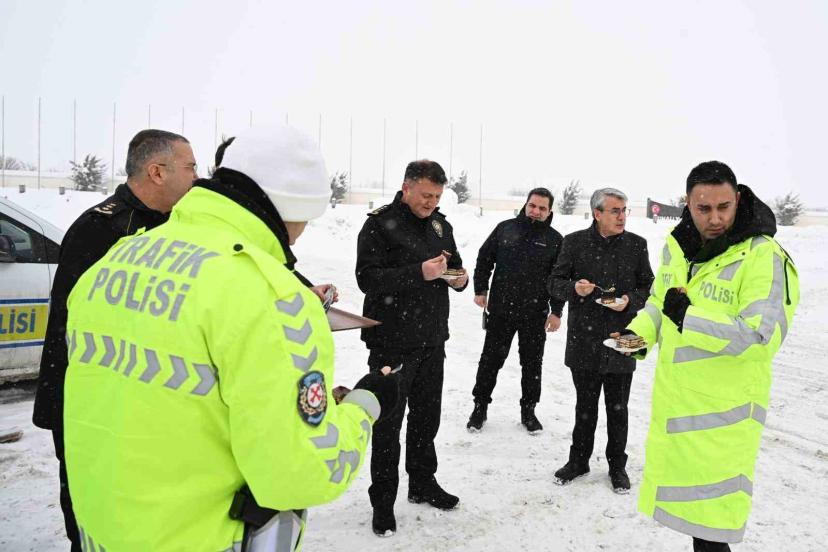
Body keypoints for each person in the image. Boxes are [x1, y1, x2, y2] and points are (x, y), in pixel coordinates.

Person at [61, 124, 397, 551]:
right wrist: (364, 407)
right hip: (199, 538)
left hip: (103, 531)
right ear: (294, 208)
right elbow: (301, 474)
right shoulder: (273, 298)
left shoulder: (119, 257)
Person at [618, 161, 799, 551]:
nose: (715, 219)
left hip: (723, 422)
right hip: (679, 410)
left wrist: (689, 317)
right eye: (704, 208)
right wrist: (635, 338)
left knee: (713, 528)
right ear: (688, 203)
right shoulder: (679, 247)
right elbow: (660, 303)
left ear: (738, 199)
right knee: (698, 530)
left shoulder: (762, 256)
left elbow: (760, 337)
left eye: (723, 207)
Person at [32, 129, 196, 551]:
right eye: (190, 167)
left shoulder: (178, 226)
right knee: (94, 519)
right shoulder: (100, 229)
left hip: (140, 402)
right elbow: (71, 328)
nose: (197, 177)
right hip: (89, 403)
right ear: (157, 172)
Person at [356, 160, 467, 537]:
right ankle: (383, 501)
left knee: (426, 419)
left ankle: (422, 483)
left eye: (437, 196)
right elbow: (367, 278)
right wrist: (418, 272)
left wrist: (458, 278)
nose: (431, 203)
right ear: (406, 188)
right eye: (425, 195)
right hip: (392, 342)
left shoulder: (440, 225)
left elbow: (454, 266)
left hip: (432, 339)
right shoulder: (380, 224)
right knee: (388, 424)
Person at [548, 187, 654, 493]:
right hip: (584, 339)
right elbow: (554, 283)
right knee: (585, 406)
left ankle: (617, 466)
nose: (622, 217)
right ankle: (578, 461)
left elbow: (648, 287)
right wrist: (574, 289)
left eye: (624, 211)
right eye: (615, 211)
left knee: (618, 409)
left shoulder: (636, 245)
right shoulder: (574, 243)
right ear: (597, 214)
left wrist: (629, 301)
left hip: (623, 338)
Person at [466, 187, 564, 434]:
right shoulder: (505, 229)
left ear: (549, 211)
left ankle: (528, 411)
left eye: (542, 208)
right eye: (533, 205)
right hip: (501, 311)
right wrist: (481, 289)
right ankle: (479, 407)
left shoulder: (554, 240)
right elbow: (484, 258)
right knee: (490, 361)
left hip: (535, 314)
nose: (536, 211)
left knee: (532, 365)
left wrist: (556, 311)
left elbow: (560, 279)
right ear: (526, 205)